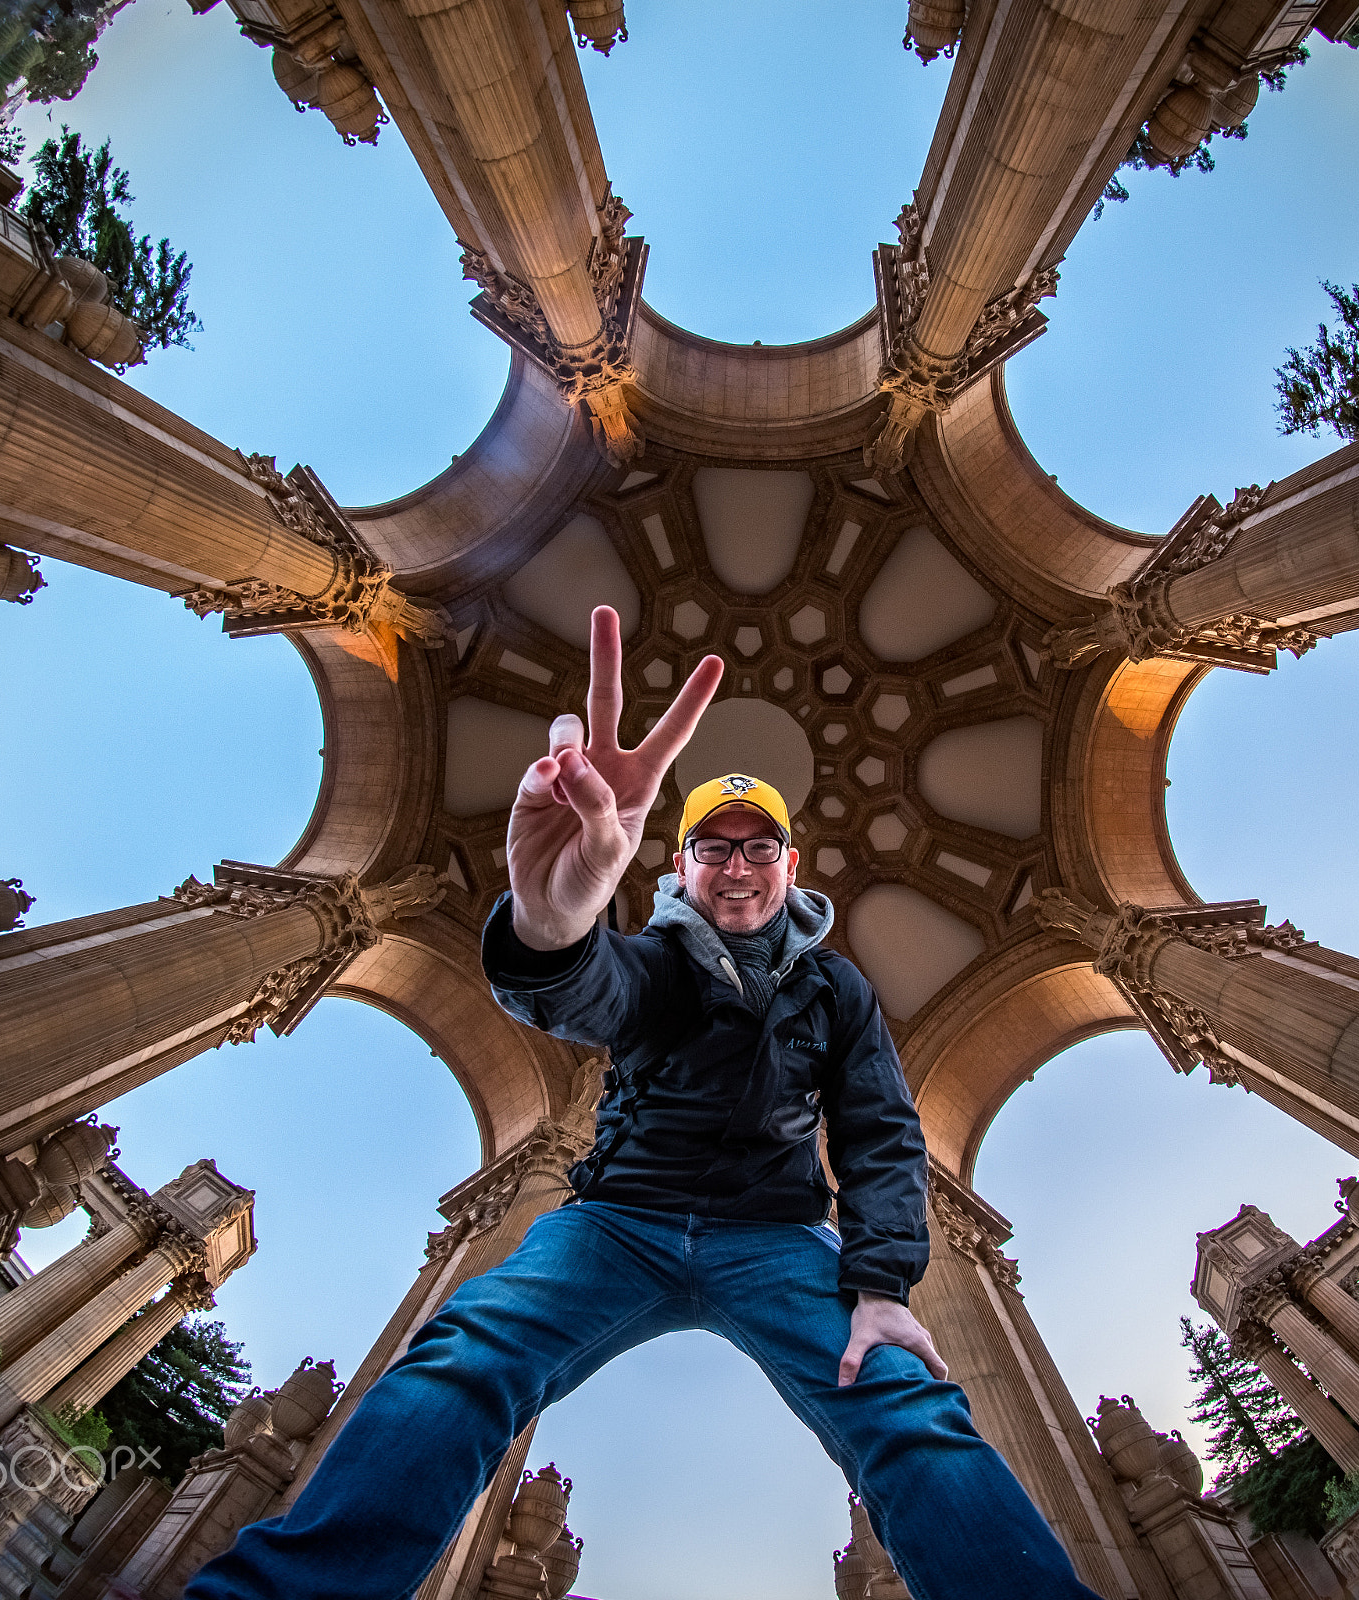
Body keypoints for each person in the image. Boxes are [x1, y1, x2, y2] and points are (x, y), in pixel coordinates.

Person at [186, 607, 1100, 1600]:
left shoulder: (836, 988)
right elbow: (589, 993)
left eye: (759, 848)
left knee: (908, 1407)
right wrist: (548, 915)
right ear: (680, 870)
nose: (738, 865)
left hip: (779, 1238)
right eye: (715, 848)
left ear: (791, 867)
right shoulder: (657, 958)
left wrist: (881, 1282)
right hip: (615, 1223)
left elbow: (879, 1130)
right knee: (459, 1356)